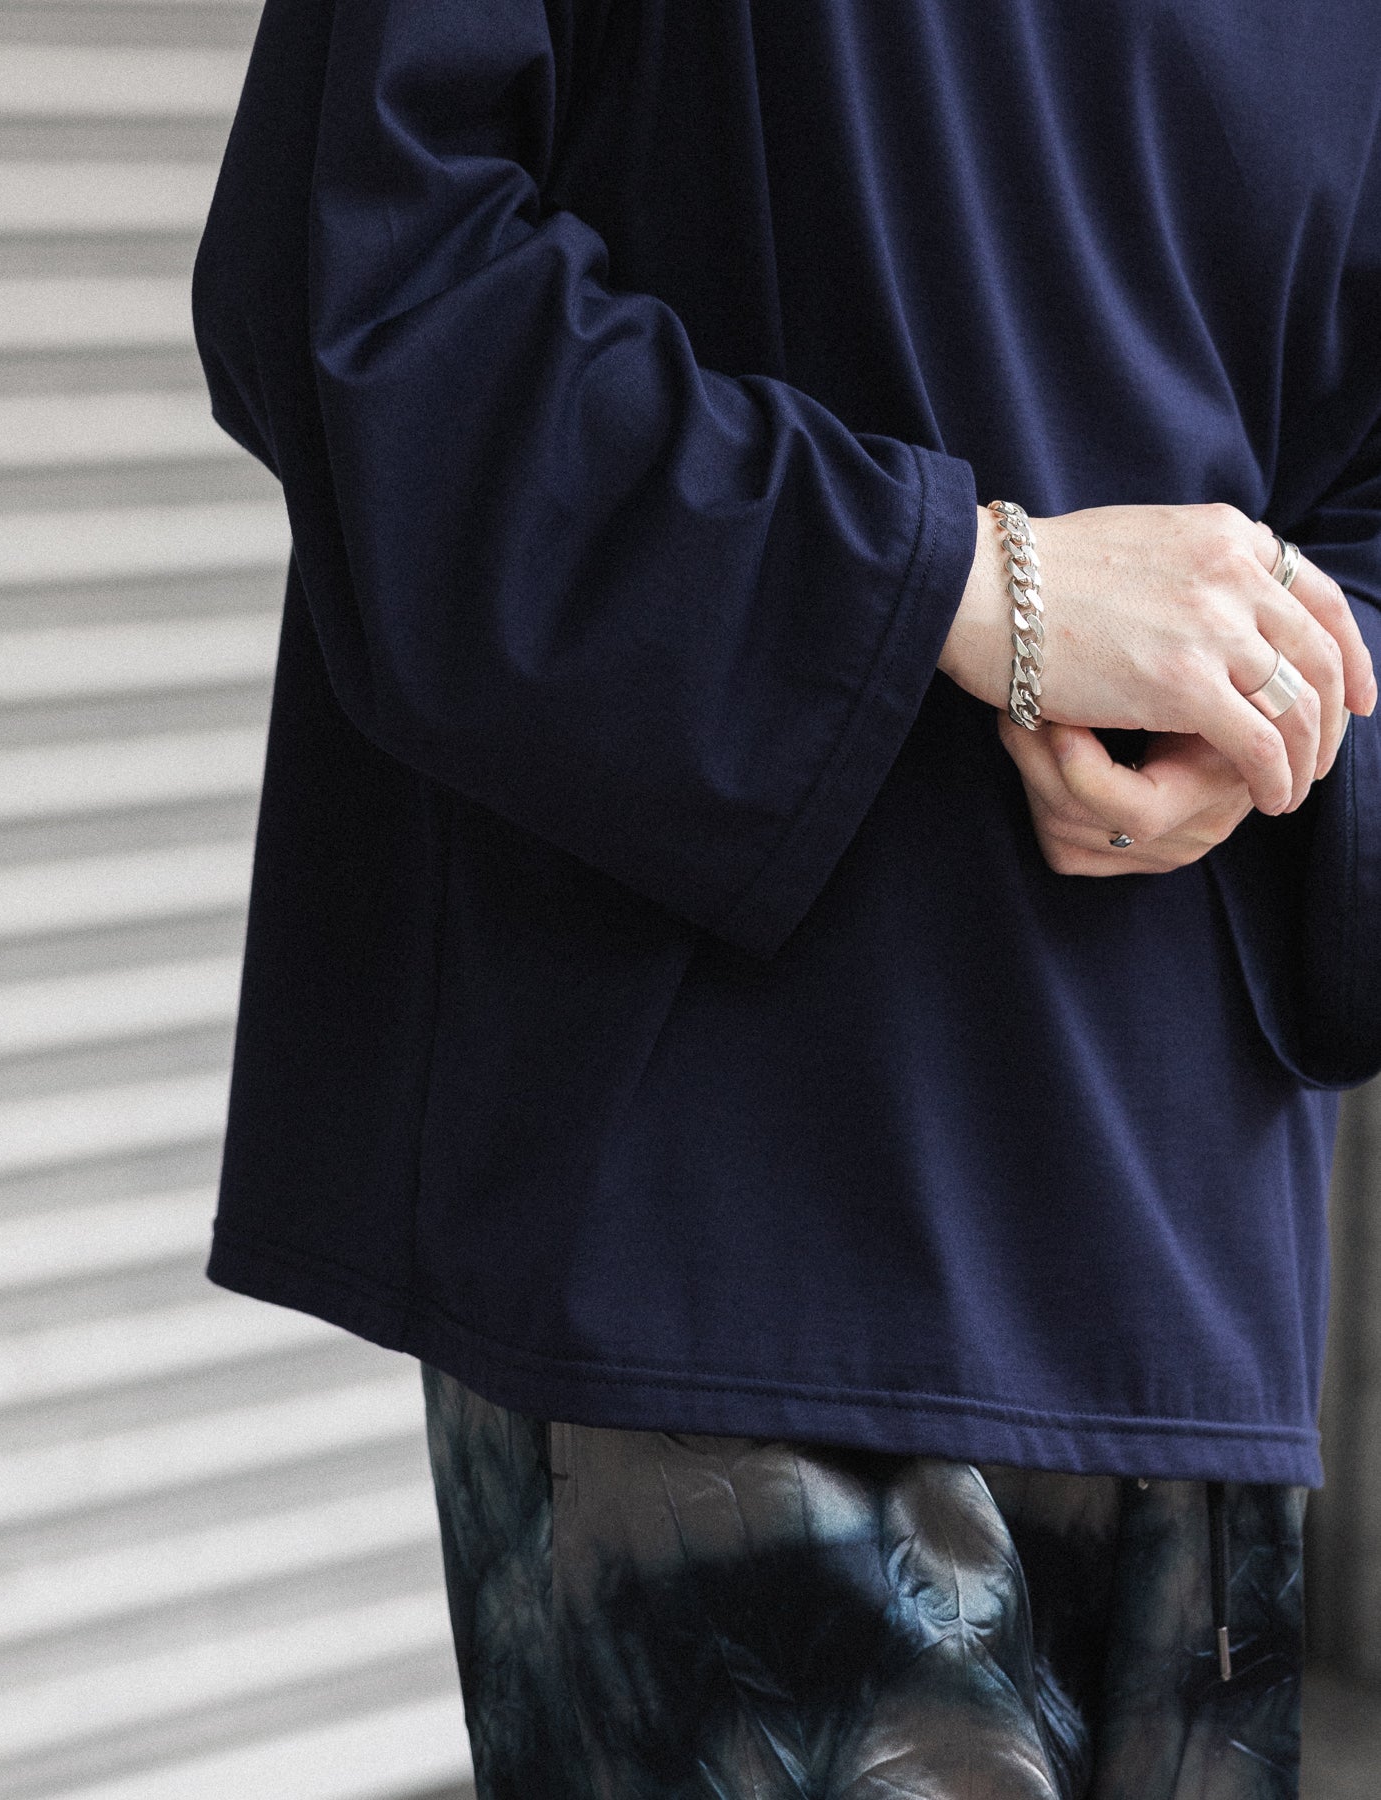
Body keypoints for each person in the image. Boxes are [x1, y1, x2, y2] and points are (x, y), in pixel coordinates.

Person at [191, 0, 1381, 1792]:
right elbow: (357, 276)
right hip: (725, 1229)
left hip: (1193, 1275)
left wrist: (1297, 697)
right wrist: (965, 583)